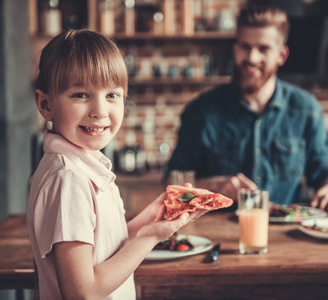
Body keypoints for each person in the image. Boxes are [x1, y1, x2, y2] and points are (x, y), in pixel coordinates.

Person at [26, 29, 203, 300]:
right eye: (81, 95)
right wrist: (151, 237)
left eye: (112, 95)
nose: (99, 110)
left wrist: (154, 217)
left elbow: (106, 247)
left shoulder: (85, 165)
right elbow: (82, 292)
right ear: (46, 104)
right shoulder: (69, 178)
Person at [165, 5, 328, 213]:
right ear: (235, 49)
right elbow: (173, 188)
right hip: (215, 235)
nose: (252, 58)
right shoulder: (200, 111)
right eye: (245, 47)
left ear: (282, 55)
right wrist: (214, 187)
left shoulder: (306, 110)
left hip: (285, 235)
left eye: (263, 48)